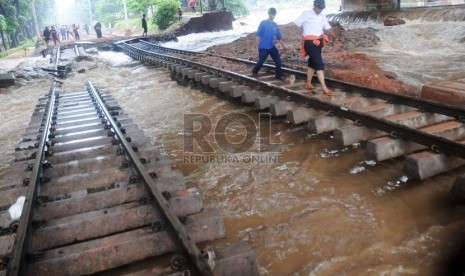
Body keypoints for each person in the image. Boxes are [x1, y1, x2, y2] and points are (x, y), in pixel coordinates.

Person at [294, 0, 334, 96]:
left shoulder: (322, 16)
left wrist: (332, 32)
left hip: (319, 42)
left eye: (322, 8)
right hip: (309, 42)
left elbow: (328, 27)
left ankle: (308, 83)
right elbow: (296, 23)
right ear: (314, 6)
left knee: (312, 62)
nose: (320, 10)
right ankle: (324, 87)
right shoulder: (306, 14)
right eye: (319, 8)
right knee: (319, 63)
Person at [252, 7, 286, 80]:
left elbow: (279, 37)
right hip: (263, 47)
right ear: (268, 14)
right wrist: (256, 47)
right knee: (261, 62)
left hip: (271, 46)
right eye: (271, 14)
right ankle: (254, 71)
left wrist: (284, 46)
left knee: (278, 61)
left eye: (274, 14)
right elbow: (258, 35)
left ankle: (278, 76)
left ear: (275, 15)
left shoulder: (275, 25)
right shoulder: (263, 23)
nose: (272, 16)